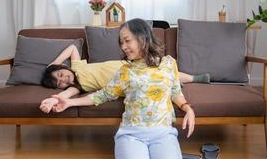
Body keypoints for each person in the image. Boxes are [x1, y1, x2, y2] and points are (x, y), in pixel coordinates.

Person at [40, 18, 195, 159]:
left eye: (127, 41)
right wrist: (69, 102)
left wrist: (188, 109)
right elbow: (103, 95)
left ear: (143, 37)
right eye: (121, 43)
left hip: (163, 133)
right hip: (131, 135)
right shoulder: (124, 71)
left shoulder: (169, 63)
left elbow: (175, 92)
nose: (123, 47)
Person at [39, 42, 209, 114]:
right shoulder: (76, 87)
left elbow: (71, 48)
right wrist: (52, 101)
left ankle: (194, 78)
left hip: (125, 66)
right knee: (150, 87)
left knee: (160, 70)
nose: (64, 80)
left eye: (61, 74)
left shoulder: (76, 67)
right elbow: (64, 96)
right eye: (59, 83)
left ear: (63, 67)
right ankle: (173, 86)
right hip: (123, 82)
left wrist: (54, 62)